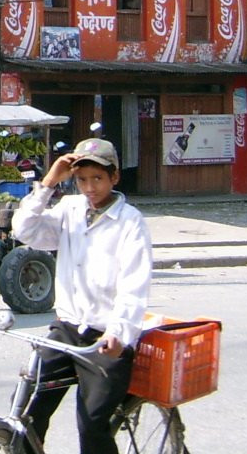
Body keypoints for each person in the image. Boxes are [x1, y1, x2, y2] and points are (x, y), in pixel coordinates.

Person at [10, 138, 152, 454]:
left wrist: (119, 332)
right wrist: (48, 182)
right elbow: (25, 230)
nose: (89, 187)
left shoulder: (131, 222)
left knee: (91, 424)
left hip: (105, 338)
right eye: (82, 179)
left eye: (97, 178)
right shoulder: (70, 209)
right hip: (67, 329)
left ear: (114, 177)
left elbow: (134, 283)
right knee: (28, 410)